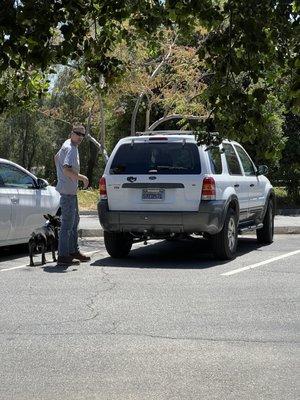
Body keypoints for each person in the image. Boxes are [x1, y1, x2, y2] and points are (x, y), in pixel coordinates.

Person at [54, 124, 91, 267]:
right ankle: (63, 256)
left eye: (83, 134)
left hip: (70, 191)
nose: (80, 137)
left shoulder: (67, 145)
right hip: (67, 193)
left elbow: (56, 157)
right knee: (67, 224)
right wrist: (84, 178)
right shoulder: (71, 148)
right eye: (78, 133)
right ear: (72, 133)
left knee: (74, 222)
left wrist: (60, 178)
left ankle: (73, 251)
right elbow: (67, 170)